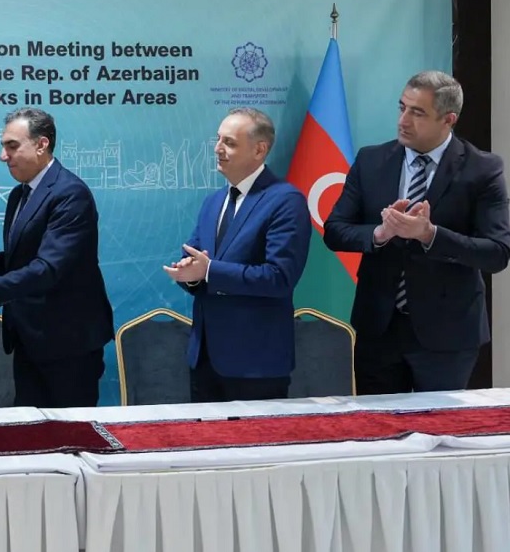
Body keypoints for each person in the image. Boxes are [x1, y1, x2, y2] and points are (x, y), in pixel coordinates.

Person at [324, 71, 510, 394]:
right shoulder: (370, 160)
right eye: (402, 108)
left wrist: (430, 235)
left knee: (440, 424)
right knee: (378, 424)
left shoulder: (482, 169)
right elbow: (335, 231)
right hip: (379, 329)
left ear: (448, 120)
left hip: (448, 334)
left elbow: (496, 252)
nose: (403, 121)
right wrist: (380, 233)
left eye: (417, 113)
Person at [0, 107, 114, 408]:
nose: (2, 156)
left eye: (12, 146)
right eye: (3, 146)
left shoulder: (71, 194)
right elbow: (23, 261)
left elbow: (47, 269)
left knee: (69, 431)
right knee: (30, 428)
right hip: (29, 339)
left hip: (68, 344)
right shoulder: (19, 194)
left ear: (42, 144)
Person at [164, 107, 310, 402]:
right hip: (205, 358)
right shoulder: (213, 201)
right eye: (218, 139)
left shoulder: (286, 200)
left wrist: (208, 271)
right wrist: (190, 273)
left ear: (259, 150)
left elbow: (279, 277)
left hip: (256, 363)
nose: (218, 149)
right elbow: (197, 258)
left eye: (229, 142)